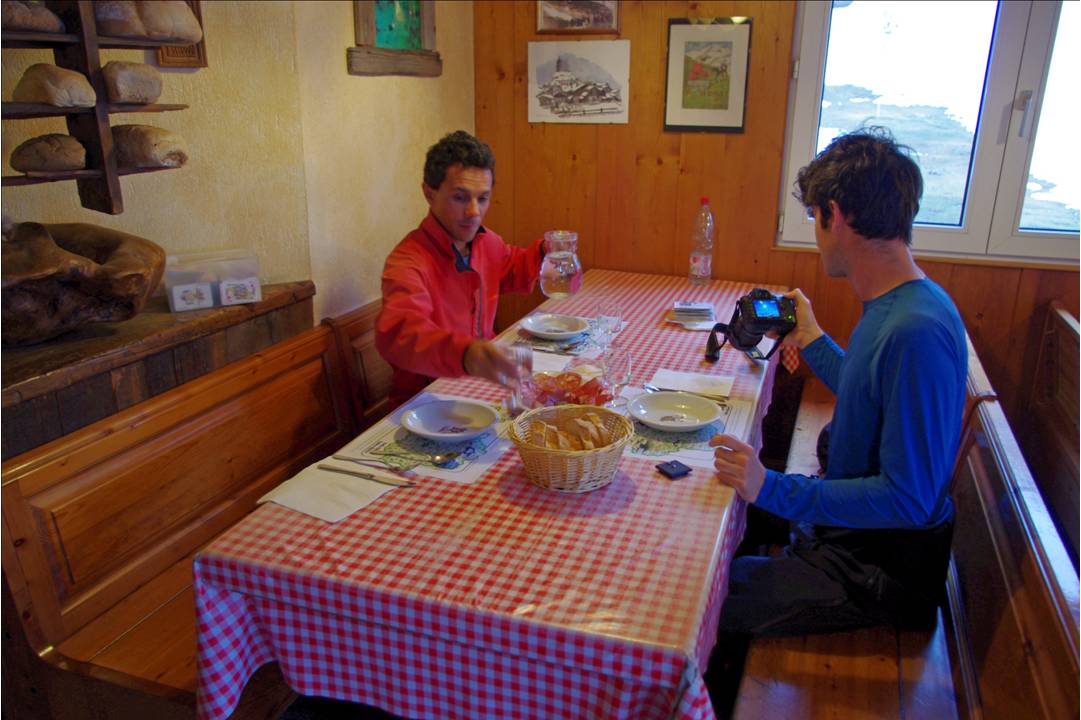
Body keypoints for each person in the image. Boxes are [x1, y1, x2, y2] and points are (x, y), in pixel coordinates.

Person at [709, 128, 967, 635]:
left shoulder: (917, 332)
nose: (817, 234)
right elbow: (868, 391)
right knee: (705, 521)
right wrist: (810, 337)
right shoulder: (899, 304)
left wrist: (773, 488)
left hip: (877, 574)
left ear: (837, 214)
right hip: (852, 536)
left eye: (815, 220)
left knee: (707, 598)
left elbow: (908, 500)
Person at [376, 130, 544, 408]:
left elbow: (513, 267)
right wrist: (467, 354)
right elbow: (400, 333)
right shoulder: (408, 261)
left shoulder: (486, 242)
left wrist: (546, 252)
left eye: (483, 198)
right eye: (460, 197)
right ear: (429, 194)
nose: (473, 212)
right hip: (426, 403)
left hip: (483, 389)